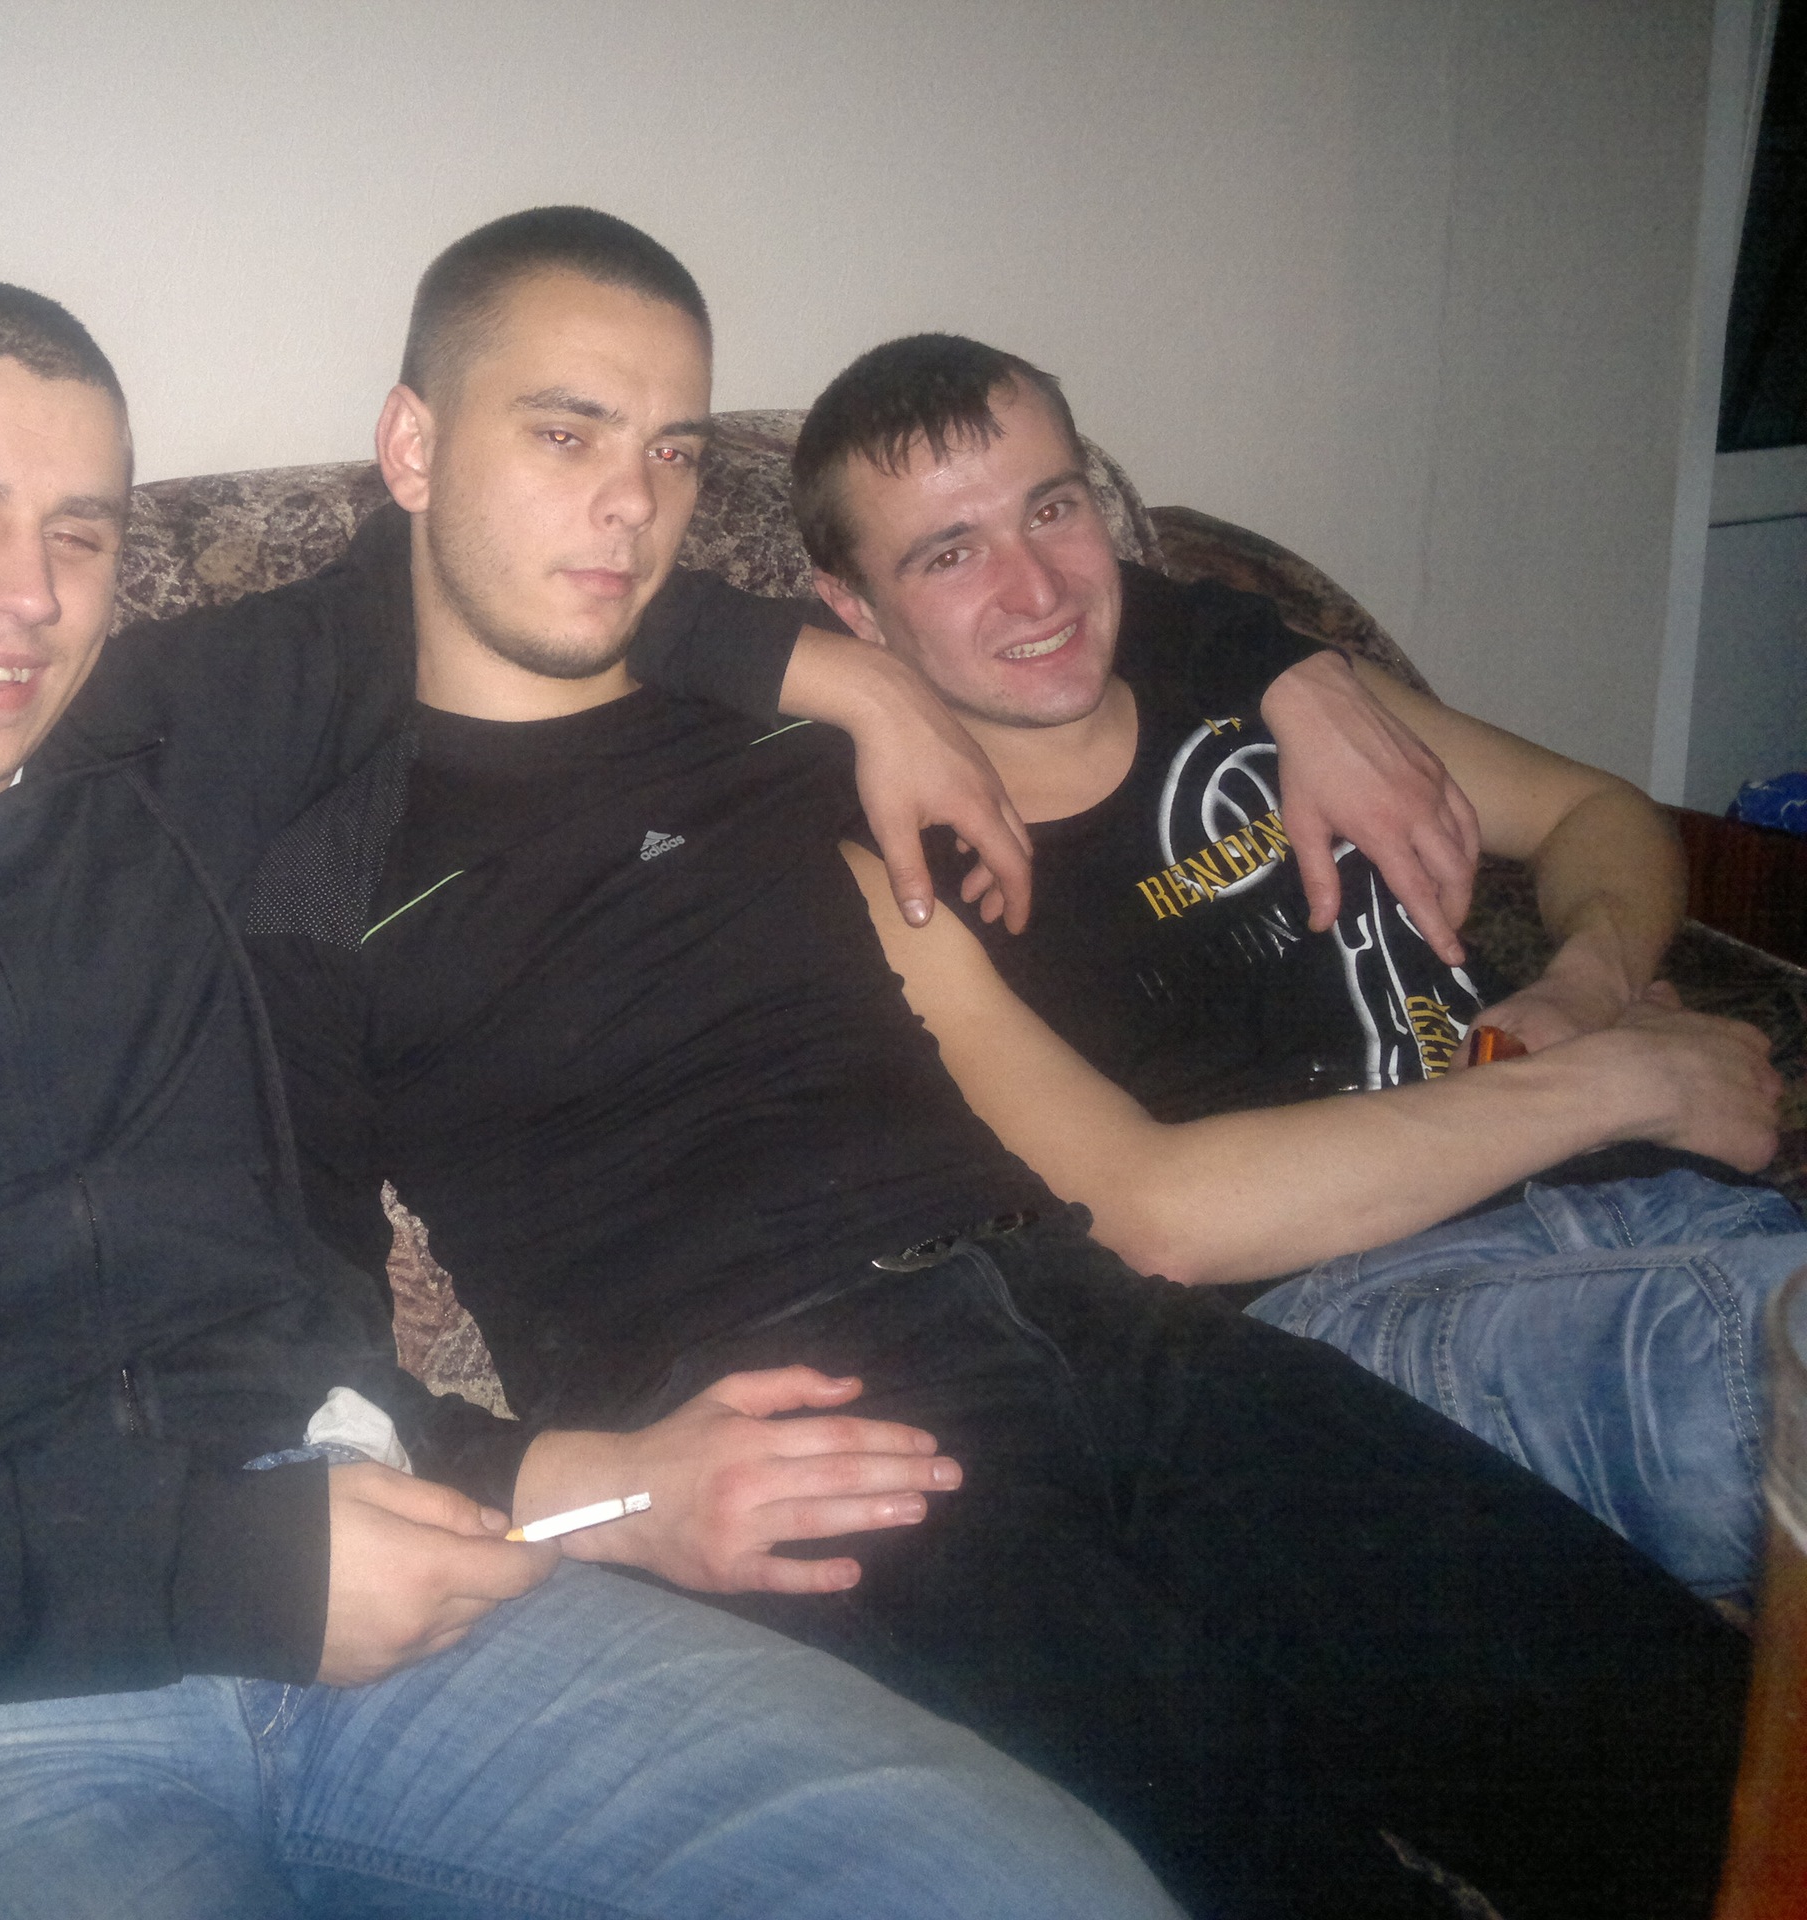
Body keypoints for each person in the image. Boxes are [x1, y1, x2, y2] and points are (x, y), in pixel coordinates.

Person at [0, 272, 1197, 1920]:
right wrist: (244, 1574)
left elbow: (501, 560)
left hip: (387, 1614)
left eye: (82, 533)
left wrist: (866, 674)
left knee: (1044, 1885)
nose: (29, 597)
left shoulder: (155, 772)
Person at [245, 215, 1755, 1919]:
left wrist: (1295, 674)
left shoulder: (792, 716)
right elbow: (290, 1346)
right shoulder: (309, 863)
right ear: (414, 449)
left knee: (1681, 1751)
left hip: (1098, 1309)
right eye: (565, 434)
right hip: (799, 1431)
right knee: (1253, 1874)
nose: (632, 505)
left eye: (671, 450)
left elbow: (1059, 614)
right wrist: (595, 1493)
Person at [789, 331, 1802, 1601]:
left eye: (1052, 509)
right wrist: (1621, 1080)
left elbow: (1594, 812)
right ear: (851, 611)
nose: (1038, 589)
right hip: (1358, 1306)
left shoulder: (1253, 686)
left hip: (1649, 1205)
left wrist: (1587, 989)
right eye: (949, 553)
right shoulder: (883, 869)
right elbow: (1154, 1217)